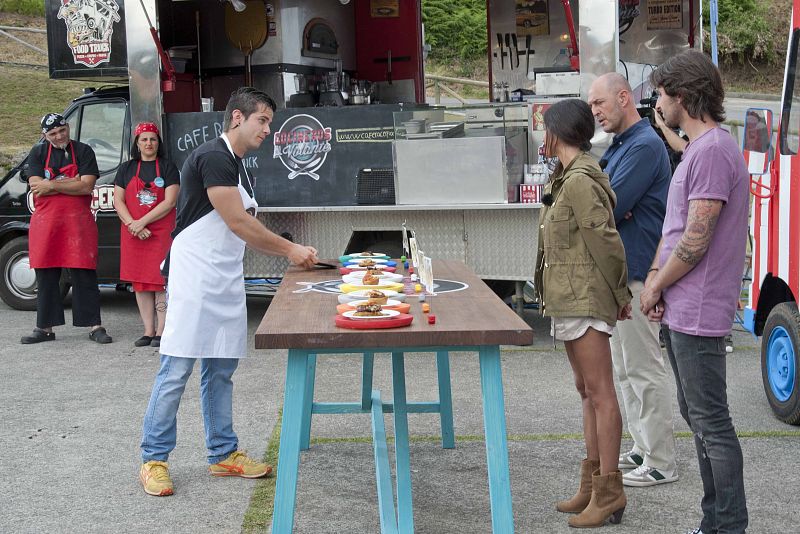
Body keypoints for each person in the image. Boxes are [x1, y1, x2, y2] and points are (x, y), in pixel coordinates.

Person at [139, 87, 318, 497]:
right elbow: (237, 221)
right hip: (193, 277)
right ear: (237, 117)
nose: (268, 130)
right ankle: (153, 459)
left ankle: (223, 453)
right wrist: (289, 249)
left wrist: (285, 243)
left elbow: (239, 226)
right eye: (263, 120)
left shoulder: (240, 165)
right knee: (176, 371)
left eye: (269, 122)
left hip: (224, 278)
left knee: (221, 371)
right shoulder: (214, 157)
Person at [641, 50, 749, 534]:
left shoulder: (712, 152)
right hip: (686, 306)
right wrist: (661, 283)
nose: (658, 103)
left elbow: (696, 239)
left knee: (711, 423)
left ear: (681, 96)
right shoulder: (701, 149)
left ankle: (727, 525)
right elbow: (683, 227)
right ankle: (715, 521)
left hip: (699, 308)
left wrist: (655, 285)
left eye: (661, 94)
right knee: (700, 418)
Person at [534, 98, 632, 528]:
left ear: (558, 133)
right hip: (570, 296)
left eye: (545, 128)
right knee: (587, 392)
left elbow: (605, 240)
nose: (542, 135)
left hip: (586, 296)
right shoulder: (565, 176)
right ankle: (592, 485)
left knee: (601, 392)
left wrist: (620, 293)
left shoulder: (579, 180)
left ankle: (610, 492)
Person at [588, 73, 679, 487]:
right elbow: (601, 199)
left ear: (625, 98)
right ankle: (643, 447)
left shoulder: (643, 145)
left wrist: (613, 207)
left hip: (639, 270)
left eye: (600, 103)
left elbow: (608, 203)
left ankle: (660, 461)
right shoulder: (623, 144)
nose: (595, 112)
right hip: (621, 272)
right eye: (591, 106)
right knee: (624, 369)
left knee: (643, 368)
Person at [21, 113, 112, 345]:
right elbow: (35, 186)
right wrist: (73, 182)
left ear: (67, 127)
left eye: (62, 130)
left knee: (84, 273)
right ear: (45, 135)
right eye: (52, 134)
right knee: (46, 274)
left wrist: (51, 183)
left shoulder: (83, 151)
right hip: (47, 223)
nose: (59, 136)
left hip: (78, 222)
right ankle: (45, 328)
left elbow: (87, 186)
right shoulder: (37, 153)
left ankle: (95, 325)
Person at [114, 122, 180, 348]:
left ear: (158, 142)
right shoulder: (126, 169)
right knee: (140, 283)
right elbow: (118, 201)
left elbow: (170, 202)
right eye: (144, 139)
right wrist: (133, 224)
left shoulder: (168, 168)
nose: (149, 143)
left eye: (152, 139)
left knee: (160, 282)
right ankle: (147, 330)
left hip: (160, 231)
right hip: (133, 232)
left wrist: (142, 221)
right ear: (137, 143)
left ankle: (162, 331)